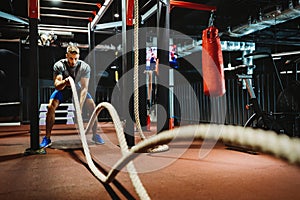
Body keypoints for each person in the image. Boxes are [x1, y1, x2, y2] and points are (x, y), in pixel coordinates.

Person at [40, 44, 104, 148]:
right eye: (71, 58)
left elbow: (84, 88)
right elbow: (57, 86)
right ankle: (47, 138)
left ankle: (95, 135)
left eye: (75, 59)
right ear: (66, 56)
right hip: (63, 90)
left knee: (92, 105)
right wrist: (65, 82)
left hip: (78, 90)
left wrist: (80, 106)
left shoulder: (84, 67)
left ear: (78, 57)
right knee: (51, 106)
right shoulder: (59, 65)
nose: (73, 62)